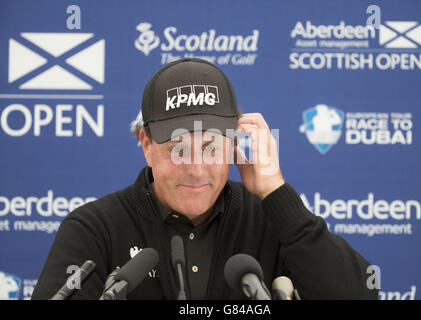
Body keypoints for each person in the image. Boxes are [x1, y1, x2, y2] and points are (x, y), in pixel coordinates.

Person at [32, 58, 377, 300]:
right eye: (179, 149)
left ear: (234, 144)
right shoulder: (95, 228)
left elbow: (360, 294)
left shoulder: (270, 221)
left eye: (211, 148)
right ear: (146, 145)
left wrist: (276, 193)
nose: (196, 169)